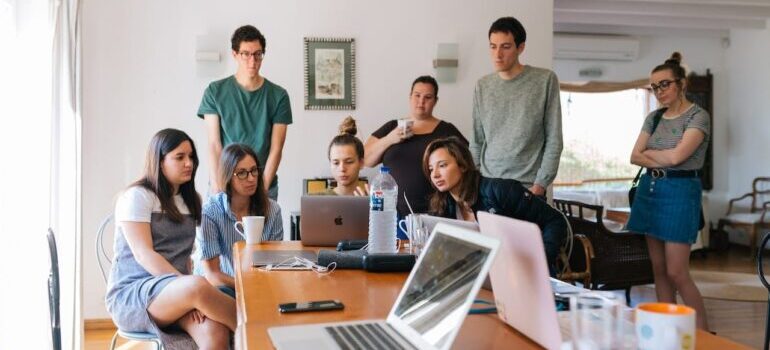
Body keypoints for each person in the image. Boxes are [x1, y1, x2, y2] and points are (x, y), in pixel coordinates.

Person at [106, 129, 235, 349]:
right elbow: (144, 254)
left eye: (191, 157)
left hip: (177, 292)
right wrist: (186, 288)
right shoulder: (138, 196)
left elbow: (186, 256)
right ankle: (257, 332)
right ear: (159, 160)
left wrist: (188, 294)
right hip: (133, 295)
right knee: (198, 285)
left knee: (215, 330)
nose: (189, 163)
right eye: (180, 157)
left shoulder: (191, 200)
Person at [627, 52, 710, 329]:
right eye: (654, 86)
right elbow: (634, 156)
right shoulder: (654, 117)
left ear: (681, 84)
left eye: (664, 84)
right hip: (650, 190)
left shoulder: (699, 116)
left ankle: (703, 336)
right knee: (659, 270)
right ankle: (667, 330)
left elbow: (678, 158)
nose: (659, 91)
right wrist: (661, 154)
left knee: (677, 271)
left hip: (681, 193)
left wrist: (652, 152)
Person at [423, 137, 567, 276]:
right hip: (486, 276)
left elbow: (555, 220)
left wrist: (539, 262)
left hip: (525, 275)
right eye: (430, 169)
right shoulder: (444, 206)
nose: (434, 174)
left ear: (462, 165)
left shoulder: (500, 190)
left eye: (442, 165)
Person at [471, 16, 563, 198]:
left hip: (528, 188)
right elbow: (476, 141)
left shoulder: (544, 80)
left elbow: (554, 139)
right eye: (493, 46)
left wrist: (540, 184)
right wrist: (474, 182)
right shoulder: (482, 86)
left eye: (505, 47)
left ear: (520, 48)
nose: (497, 55)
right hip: (488, 185)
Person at [198, 25, 292, 200]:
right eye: (246, 54)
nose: (252, 61)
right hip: (225, 182)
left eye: (258, 54)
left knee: (263, 228)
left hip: (262, 183)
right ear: (235, 54)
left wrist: (262, 189)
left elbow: (276, 148)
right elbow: (214, 144)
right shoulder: (215, 91)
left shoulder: (279, 96)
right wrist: (218, 185)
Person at [364, 75, 467, 219]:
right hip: (392, 213)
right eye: (417, 95)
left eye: (428, 97)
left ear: (435, 101)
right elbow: (366, 159)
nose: (421, 101)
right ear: (410, 96)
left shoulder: (446, 130)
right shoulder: (392, 126)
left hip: (437, 211)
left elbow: (466, 164)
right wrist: (390, 139)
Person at [196, 143, 284, 297]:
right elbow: (213, 275)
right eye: (242, 173)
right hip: (222, 287)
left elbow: (274, 264)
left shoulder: (273, 210)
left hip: (260, 285)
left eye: (254, 171)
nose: (251, 178)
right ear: (228, 176)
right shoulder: (210, 212)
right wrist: (247, 286)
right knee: (223, 293)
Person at [326, 116, 368, 196]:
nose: (342, 168)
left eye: (349, 162)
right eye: (336, 163)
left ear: (361, 163)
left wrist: (368, 207)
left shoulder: (372, 201)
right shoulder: (318, 200)